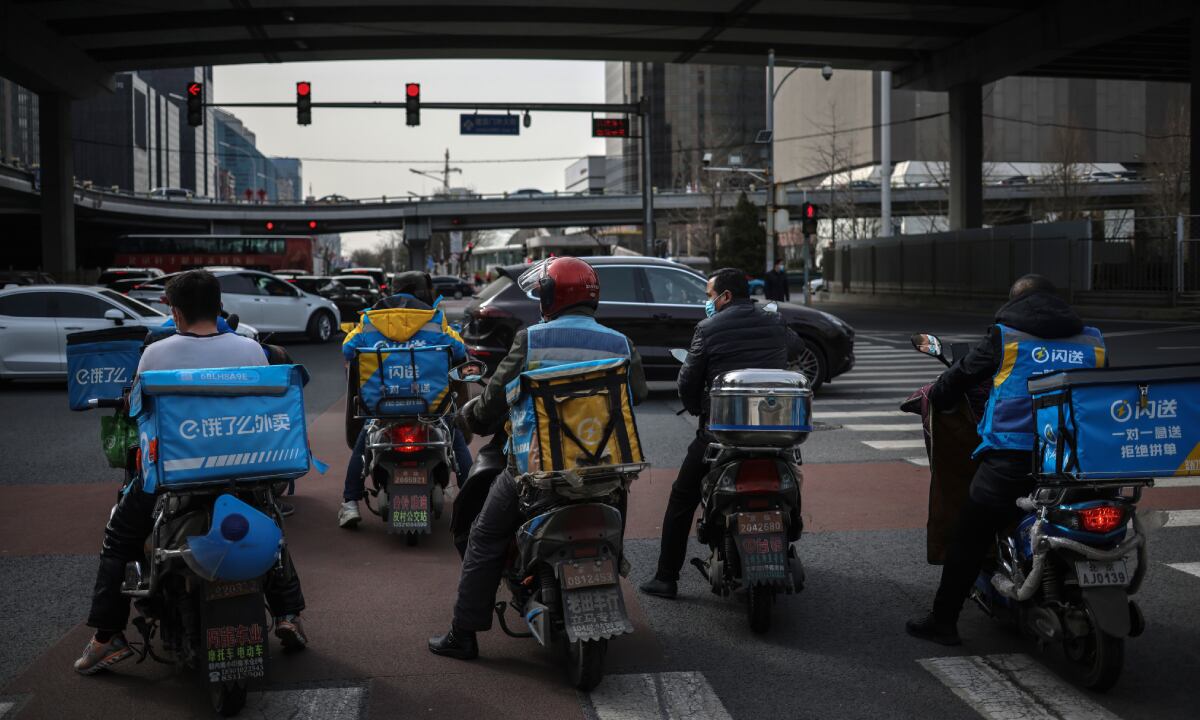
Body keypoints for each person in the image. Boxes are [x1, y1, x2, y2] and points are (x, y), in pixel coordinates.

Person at [75, 270, 309, 675]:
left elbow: (137, 408)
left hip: (174, 476)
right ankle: (288, 614)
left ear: (176, 312)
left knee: (119, 537)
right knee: (269, 526)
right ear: (219, 307)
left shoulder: (157, 354)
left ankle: (107, 636)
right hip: (244, 473)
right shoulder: (250, 350)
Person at [427, 256, 648, 660]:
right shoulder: (620, 343)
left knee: (485, 536)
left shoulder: (533, 340)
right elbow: (639, 395)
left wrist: (471, 417)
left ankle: (464, 634)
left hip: (536, 471)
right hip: (604, 468)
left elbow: (494, 399)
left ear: (550, 297)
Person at [906, 274, 1105, 646]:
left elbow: (960, 376)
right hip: (1079, 460)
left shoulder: (1006, 336)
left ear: (1014, 304)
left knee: (968, 532)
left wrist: (941, 397)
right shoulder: (1092, 339)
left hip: (1015, 459)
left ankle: (944, 621)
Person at [639, 267, 805, 599]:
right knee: (793, 478)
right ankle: (791, 529)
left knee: (682, 498)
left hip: (721, 434)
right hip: (774, 432)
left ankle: (666, 577)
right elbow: (795, 348)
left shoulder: (707, 328)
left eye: (709, 295)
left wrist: (697, 408)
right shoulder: (773, 321)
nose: (708, 302)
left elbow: (688, 380)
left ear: (725, 296)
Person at [339, 271, 470, 528]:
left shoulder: (368, 320)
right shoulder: (434, 319)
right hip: (430, 405)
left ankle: (350, 503)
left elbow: (347, 349)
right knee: (455, 436)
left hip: (382, 405)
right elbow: (459, 350)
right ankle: (473, 501)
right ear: (423, 292)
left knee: (365, 439)